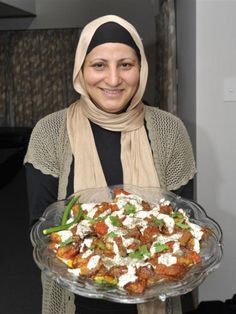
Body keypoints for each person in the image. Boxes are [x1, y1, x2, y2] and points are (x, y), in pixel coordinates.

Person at [24, 15, 196, 314]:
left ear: (140, 69)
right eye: (99, 65)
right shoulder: (49, 132)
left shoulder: (170, 131)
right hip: (78, 299)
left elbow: (183, 224)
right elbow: (42, 229)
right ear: (81, 69)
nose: (113, 79)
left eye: (126, 65)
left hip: (154, 295)